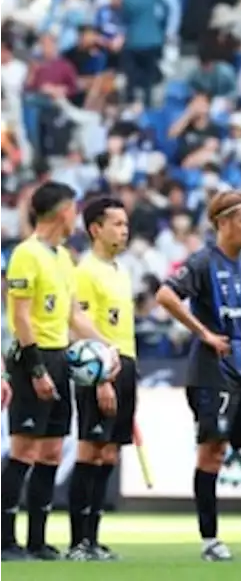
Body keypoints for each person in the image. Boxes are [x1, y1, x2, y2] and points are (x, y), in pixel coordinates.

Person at [155, 190, 241, 561]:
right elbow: (165, 295)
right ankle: (210, 540)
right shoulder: (201, 262)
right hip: (210, 373)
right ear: (223, 222)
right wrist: (204, 334)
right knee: (212, 453)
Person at [0, 181, 105, 561]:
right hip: (33, 357)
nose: (76, 214)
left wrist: (108, 348)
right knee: (24, 449)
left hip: (61, 356)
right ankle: (4, 540)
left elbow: (74, 314)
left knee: (51, 451)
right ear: (63, 211)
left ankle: (37, 540)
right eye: (74, 208)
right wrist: (36, 368)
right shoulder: (25, 254)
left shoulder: (63, 256)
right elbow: (21, 317)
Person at [67, 197, 137, 561]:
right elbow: (80, 328)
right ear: (96, 228)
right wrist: (101, 378)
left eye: (126, 224)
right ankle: (78, 541)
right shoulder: (85, 271)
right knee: (90, 450)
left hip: (126, 363)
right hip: (100, 368)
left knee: (109, 452)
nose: (124, 230)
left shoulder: (120, 270)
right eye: (117, 224)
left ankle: (93, 539)